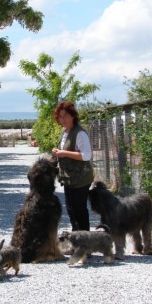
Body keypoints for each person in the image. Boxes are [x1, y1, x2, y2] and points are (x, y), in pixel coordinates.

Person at [51, 100, 94, 239]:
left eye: (64, 116)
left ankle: (85, 244)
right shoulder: (65, 132)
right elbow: (66, 150)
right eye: (60, 116)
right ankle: (76, 243)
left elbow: (86, 155)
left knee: (79, 211)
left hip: (81, 178)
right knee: (71, 211)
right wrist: (57, 151)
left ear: (72, 116)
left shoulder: (80, 133)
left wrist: (64, 153)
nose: (62, 119)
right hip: (69, 178)